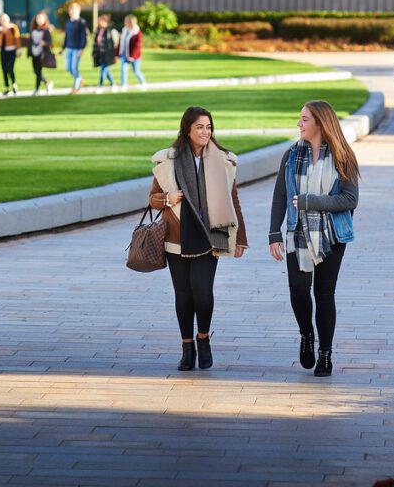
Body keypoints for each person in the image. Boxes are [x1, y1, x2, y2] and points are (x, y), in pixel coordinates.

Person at [149, 106, 247, 371]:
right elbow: (152, 199)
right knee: (183, 296)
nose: (206, 132)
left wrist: (241, 239)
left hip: (209, 236)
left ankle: (203, 338)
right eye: (200, 127)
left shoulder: (223, 161)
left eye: (209, 127)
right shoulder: (168, 162)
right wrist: (168, 199)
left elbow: (233, 199)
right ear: (187, 130)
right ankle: (187, 346)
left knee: (202, 294)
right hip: (176, 238)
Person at [269, 100, 360, 378]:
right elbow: (281, 196)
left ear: (319, 123)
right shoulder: (291, 155)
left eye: (304, 119)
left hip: (332, 236)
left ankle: (325, 354)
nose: (299, 123)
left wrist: (310, 201)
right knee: (298, 292)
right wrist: (274, 232)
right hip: (296, 233)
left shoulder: (343, 156)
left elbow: (350, 199)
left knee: (324, 294)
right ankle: (306, 334)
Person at [0, 12, 21, 95]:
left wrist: (18, 49)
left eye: (5, 19)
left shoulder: (13, 28)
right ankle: (7, 87)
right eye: (2, 19)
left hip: (11, 50)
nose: (3, 21)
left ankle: (14, 84)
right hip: (3, 51)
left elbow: (17, 39)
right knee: (4, 69)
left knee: (10, 68)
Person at [28, 11, 55, 96]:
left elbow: (50, 42)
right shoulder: (33, 30)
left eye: (41, 18)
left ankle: (36, 89)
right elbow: (30, 42)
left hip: (42, 53)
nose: (39, 20)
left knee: (39, 71)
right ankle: (47, 83)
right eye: (37, 18)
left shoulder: (46, 30)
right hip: (34, 52)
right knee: (35, 71)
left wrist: (44, 43)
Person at [63, 3, 88, 94]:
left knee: (74, 68)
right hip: (69, 48)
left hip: (77, 49)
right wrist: (63, 48)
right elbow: (66, 36)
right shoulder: (68, 22)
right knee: (68, 67)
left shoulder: (82, 22)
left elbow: (84, 36)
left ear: (79, 11)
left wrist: (82, 49)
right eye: (71, 10)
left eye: (74, 10)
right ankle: (79, 78)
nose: (72, 12)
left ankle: (76, 88)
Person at [119, 13, 147, 90]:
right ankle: (123, 85)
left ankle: (143, 83)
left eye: (126, 21)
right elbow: (121, 42)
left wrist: (132, 56)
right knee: (123, 70)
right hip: (125, 55)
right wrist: (118, 53)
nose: (125, 22)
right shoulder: (124, 30)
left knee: (136, 71)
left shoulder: (137, 32)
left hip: (135, 56)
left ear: (130, 22)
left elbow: (137, 46)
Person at [92, 14, 119, 91]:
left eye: (99, 21)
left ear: (104, 21)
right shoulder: (99, 30)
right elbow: (96, 42)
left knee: (104, 69)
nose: (98, 22)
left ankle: (100, 86)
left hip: (108, 54)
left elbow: (115, 43)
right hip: (101, 54)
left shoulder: (110, 30)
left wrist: (115, 54)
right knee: (105, 70)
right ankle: (113, 84)